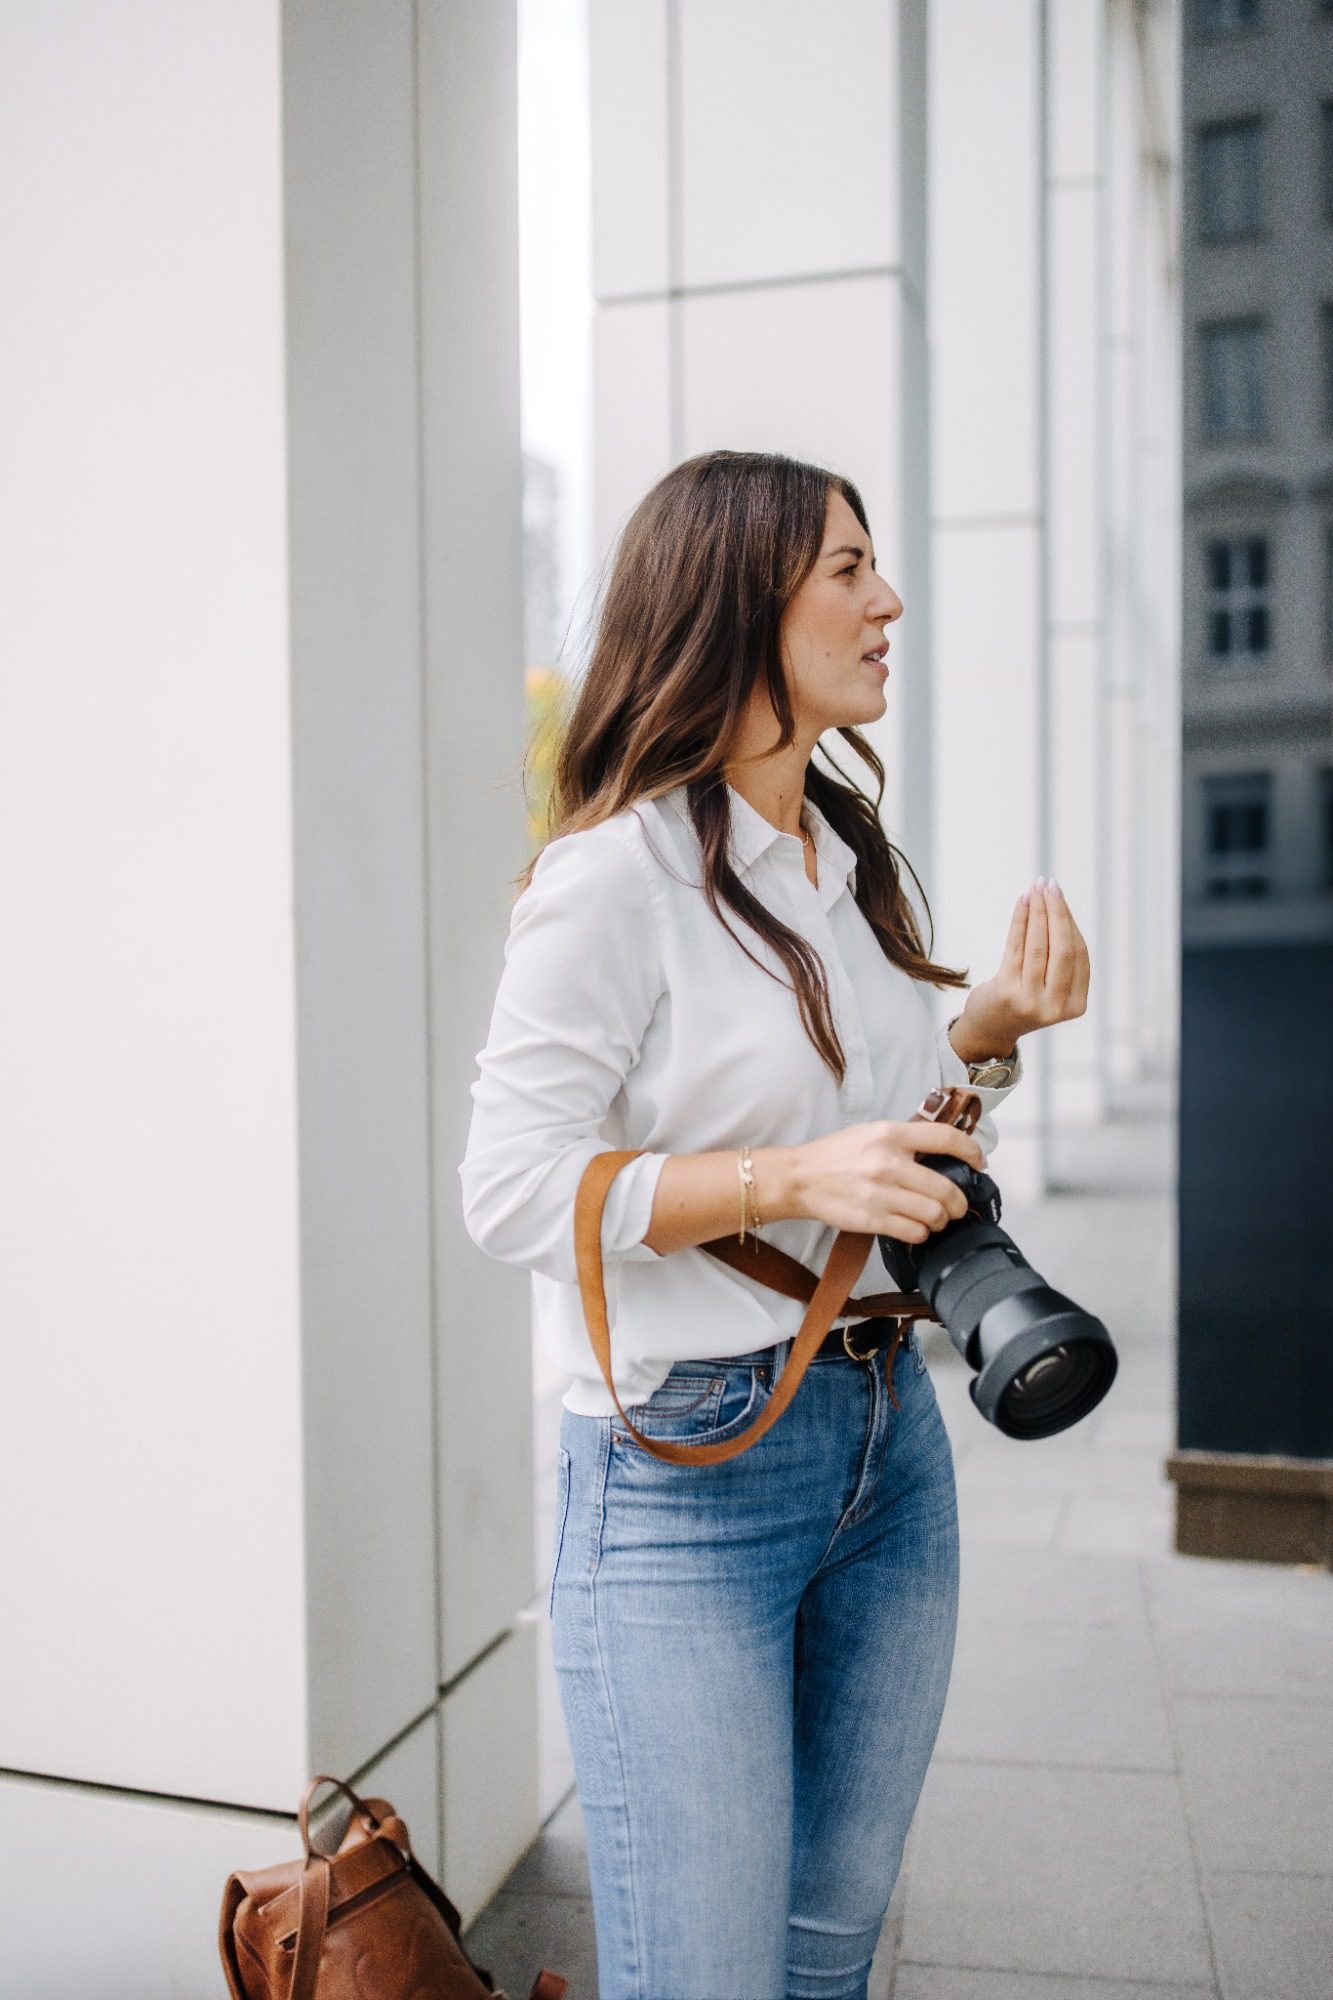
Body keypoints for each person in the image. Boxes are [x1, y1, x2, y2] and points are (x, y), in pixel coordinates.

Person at [458, 450, 1091, 2000]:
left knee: (825, 1954)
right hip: (687, 1474)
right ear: (740, 600)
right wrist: (789, 1183)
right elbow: (510, 1189)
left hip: (886, 1445)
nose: (886, 600)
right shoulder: (613, 884)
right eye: (846, 570)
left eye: (874, 566)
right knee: (704, 1975)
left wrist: (980, 1036)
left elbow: (875, 1141)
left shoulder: (833, 858)